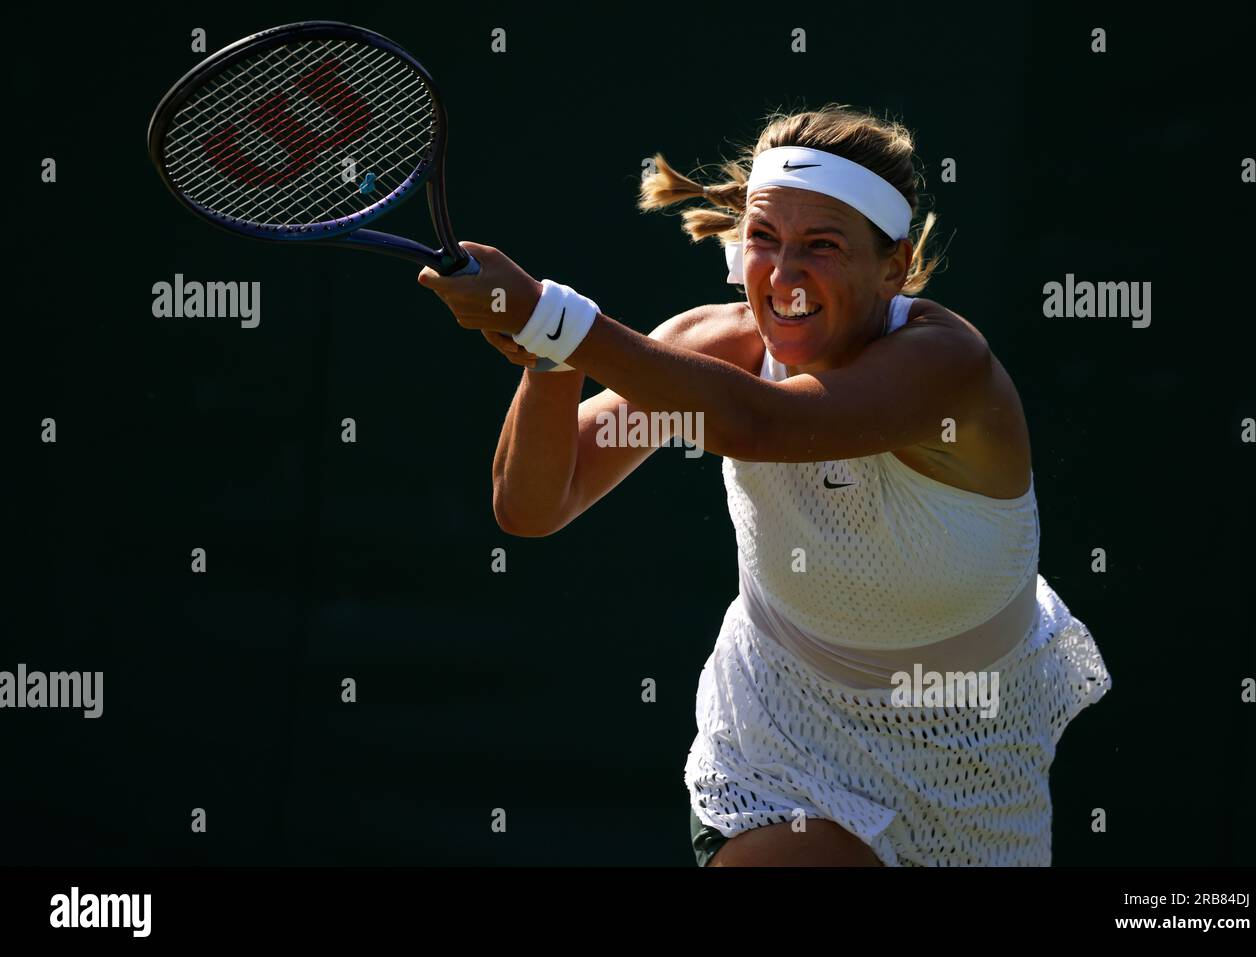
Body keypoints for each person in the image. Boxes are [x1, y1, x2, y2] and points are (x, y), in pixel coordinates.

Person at [417, 105, 1111, 867]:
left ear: (893, 263)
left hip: (974, 750)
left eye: (821, 246)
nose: (782, 277)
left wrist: (557, 318)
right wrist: (548, 360)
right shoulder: (718, 347)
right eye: (763, 240)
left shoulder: (949, 366)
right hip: (780, 735)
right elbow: (533, 505)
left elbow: (764, 425)